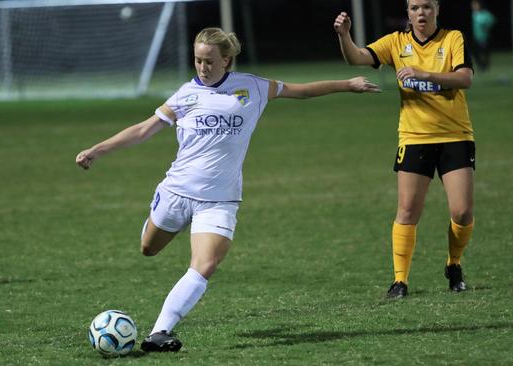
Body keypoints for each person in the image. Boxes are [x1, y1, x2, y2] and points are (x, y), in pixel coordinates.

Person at [76, 27, 380, 351]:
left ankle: (159, 332)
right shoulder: (185, 95)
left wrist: (348, 85)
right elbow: (142, 131)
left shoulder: (252, 87)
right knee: (148, 249)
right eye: (197, 60)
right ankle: (160, 221)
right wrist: (97, 150)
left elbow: (300, 90)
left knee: (205, 264)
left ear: (227, 60)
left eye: (209, 61)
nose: (203, 68)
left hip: (219, 200)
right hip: (177, 191)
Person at [334, 0, 476, 299]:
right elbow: (357, 58)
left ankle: (454, 264)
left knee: (462, 212)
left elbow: (465, 78)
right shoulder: (396, 42)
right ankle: (400, 281)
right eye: (414, 8)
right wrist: (344, 35)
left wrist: (426, 75)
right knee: (408, 210)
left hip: (455, 134)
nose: (420, 13)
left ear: (437, 9)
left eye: (426, 6)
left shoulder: (452, 38)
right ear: (408, 13)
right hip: (414, 137)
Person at [471, 0, 495, 72]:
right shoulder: (474, 14)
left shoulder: (485, 13)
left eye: (475, 5)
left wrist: (487, 26)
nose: (474, 6)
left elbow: (492, 20)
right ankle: (481, 66)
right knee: (475, 53)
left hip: (484, 37)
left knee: (484, 53)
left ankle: (485, 66)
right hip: (476, 37)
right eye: (473, 5)